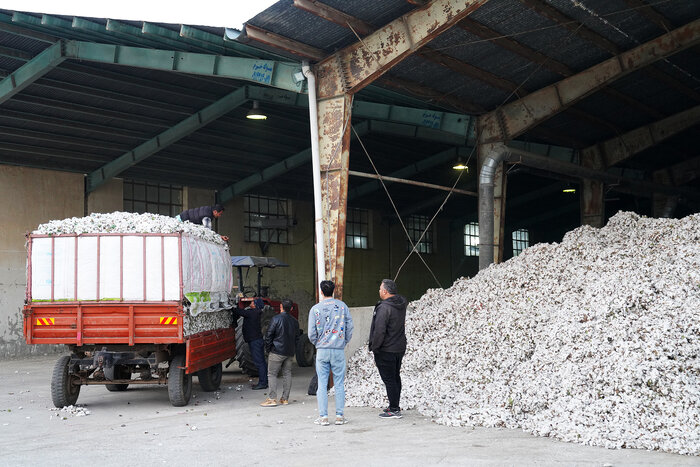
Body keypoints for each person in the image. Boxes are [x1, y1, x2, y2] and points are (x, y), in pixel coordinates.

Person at [307, 280, 354, 426]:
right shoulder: (342, 306)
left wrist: (318, 344)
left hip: (322, 351)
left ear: (321, 291)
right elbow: (350, 327)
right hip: (338, 350)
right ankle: (339, 416)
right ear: (334, 291)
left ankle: (323, 417)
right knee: (339, 383)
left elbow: (311, 333)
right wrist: (343, 341)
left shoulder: (315, 309)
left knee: (322, 383)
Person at [368, 279, 407, 419]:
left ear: (385, 291)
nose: (378, 291)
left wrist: (374, 347)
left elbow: (379, 331)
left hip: (387, 349)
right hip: (399, 347)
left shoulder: (384, 308)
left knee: (390, 379)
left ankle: (394, 409)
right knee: (395, 377)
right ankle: (394, 405)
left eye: (380, 289)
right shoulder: (400, 304)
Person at [260, 299, 299, 407]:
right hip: (289, 352)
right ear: (291, 308)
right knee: (287, 373)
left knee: (272, 374)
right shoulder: (294, 321)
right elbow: (297, 338)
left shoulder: (276, 319)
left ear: (281, 306)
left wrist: (268, 349)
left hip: (277, 351)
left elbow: (269, 335)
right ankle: (285, 399)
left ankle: (272, 399)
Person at [236, 297, 268, 390]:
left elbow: (240, 312)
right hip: (256, 340)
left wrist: (232, 307)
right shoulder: (256, 312)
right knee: (261, 362)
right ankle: (264, 381)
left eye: (253, 302)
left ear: (256, 305)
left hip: (255, 342)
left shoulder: (253, 313)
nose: (251, 302)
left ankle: (263, 383)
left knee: (259, 362)